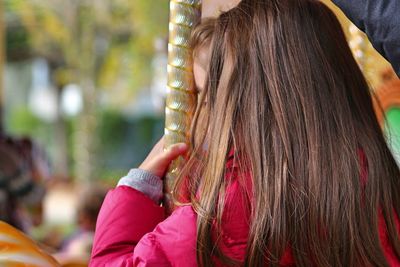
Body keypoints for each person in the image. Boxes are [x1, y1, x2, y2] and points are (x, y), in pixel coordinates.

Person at [90, 0, 400, 266]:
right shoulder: (380, 188)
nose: (202, 115)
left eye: (206, 98)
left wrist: (137, 188)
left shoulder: (225, 211)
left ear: (243, 104)